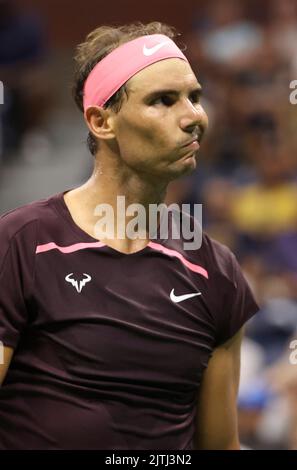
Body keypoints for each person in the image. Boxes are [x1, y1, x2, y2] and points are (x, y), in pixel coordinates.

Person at [0, 22, 259, 450]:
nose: (194, 116)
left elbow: (220, 445)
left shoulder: (218, 273)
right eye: (163, 100)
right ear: (102, 122)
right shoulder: (20, 245)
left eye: (195, 96)